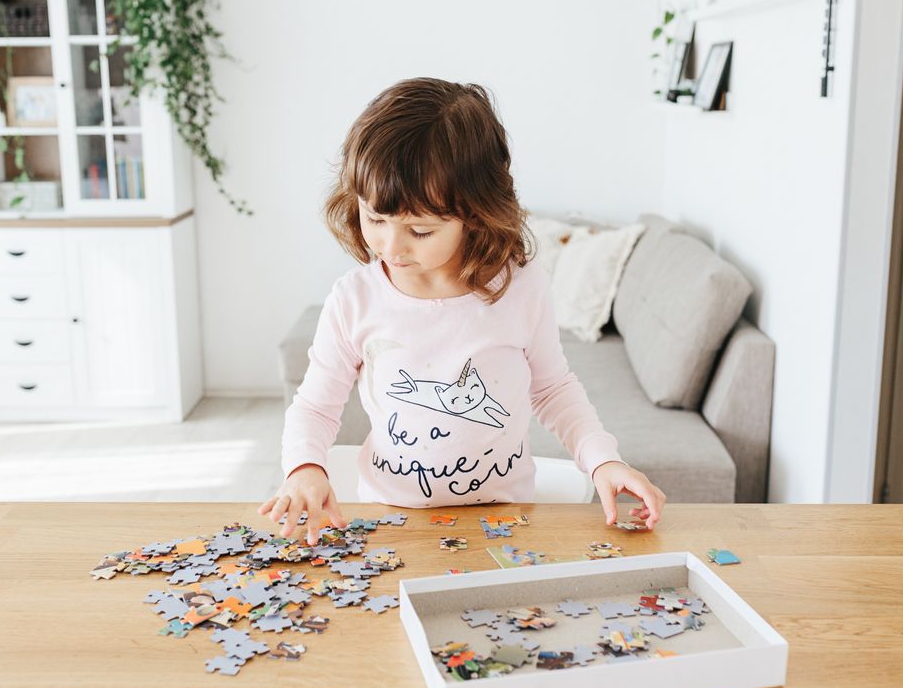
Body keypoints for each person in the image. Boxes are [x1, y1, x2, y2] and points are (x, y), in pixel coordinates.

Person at [259, 77, 665, 545]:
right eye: (375, 219)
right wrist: (305, 467)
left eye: (420, 230)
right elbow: (314, 405)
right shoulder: (354, 298)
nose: (390, 246)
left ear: (475, 214)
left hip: (505, 525)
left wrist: (602, 459)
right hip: (393, 524)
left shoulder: (521, 289)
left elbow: (553, 389)